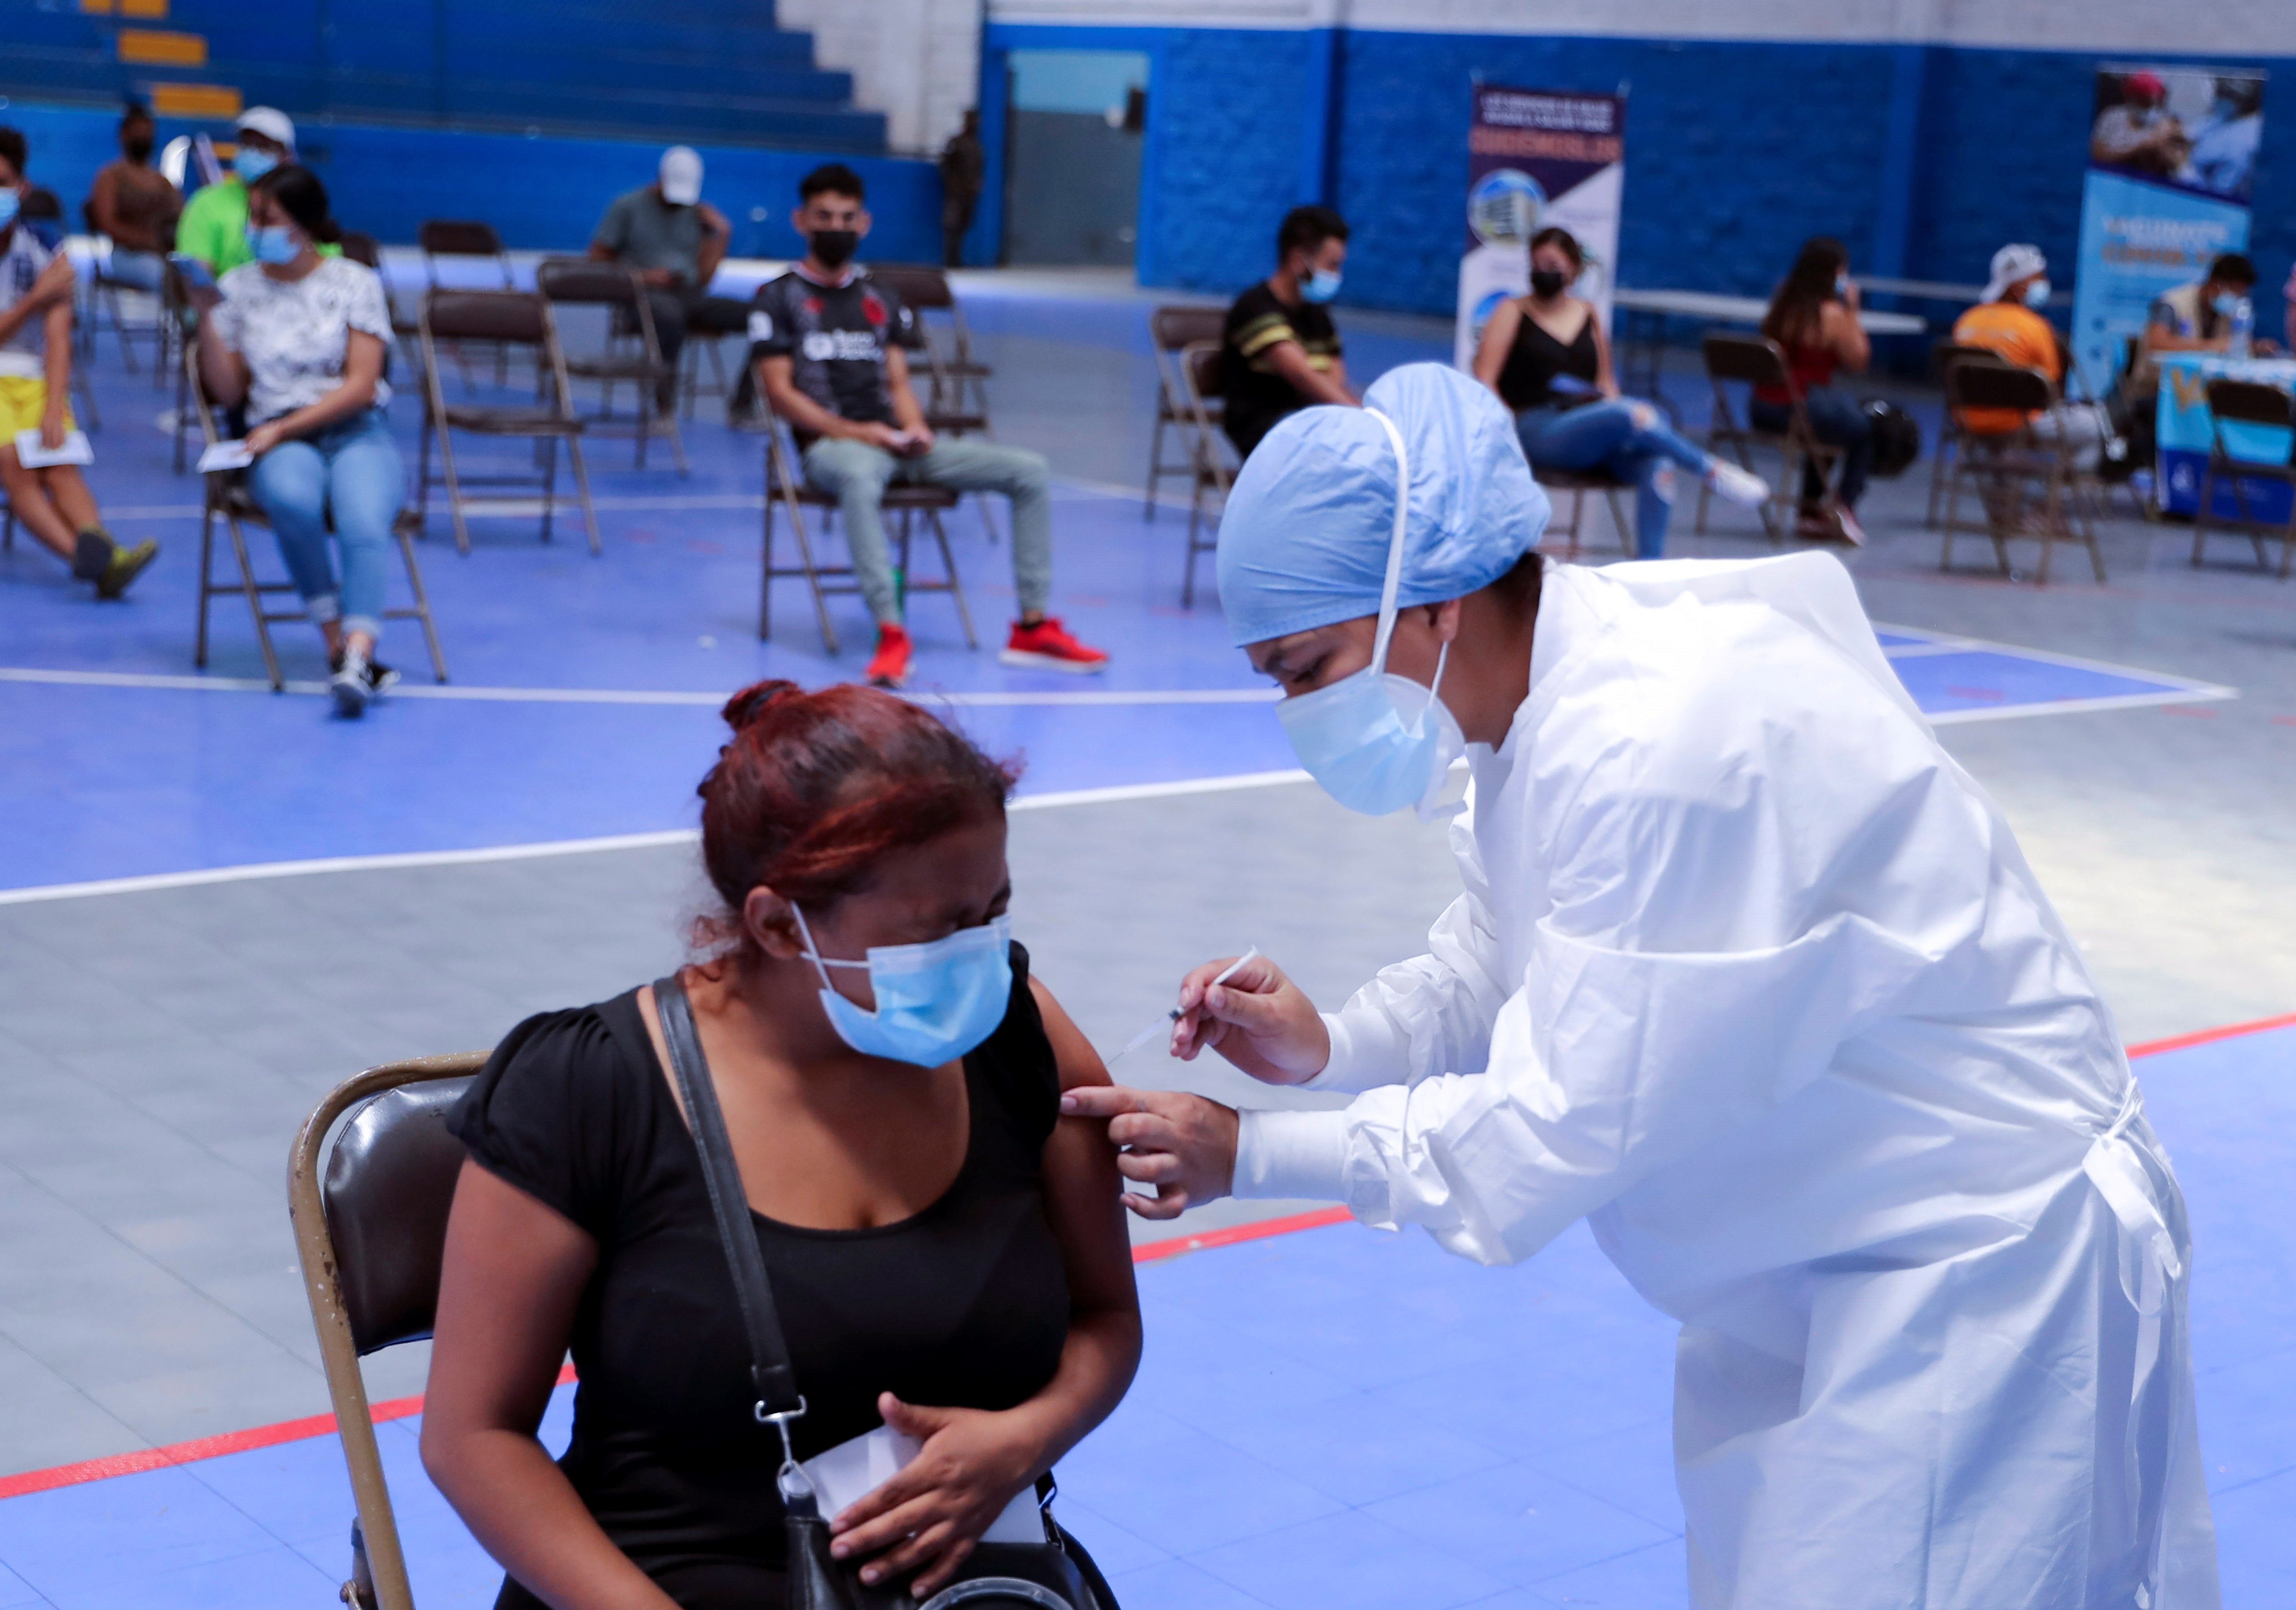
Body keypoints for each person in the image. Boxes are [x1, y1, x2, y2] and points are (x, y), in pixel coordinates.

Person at [1065, 361, 2219, 1610]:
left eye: (1306, 666)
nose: (1297, 708)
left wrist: (1253, 1153)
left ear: (1431, 601)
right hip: (1816, 1254)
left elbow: (1558, 1123)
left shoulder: (1662, 740)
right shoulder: (1536, 700)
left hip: (1971, 1256)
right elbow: (1509, 954)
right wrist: (1333, 1045)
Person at [421, 678, 1141, 1610]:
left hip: (969, 1581)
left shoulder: (1016, 1032)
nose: (981, 952)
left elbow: (1107, 1319)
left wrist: (1031, 1434)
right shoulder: (588, 1089)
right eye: (938, 928)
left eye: (993, 909)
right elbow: (472, 1434)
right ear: (775, 923)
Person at [751, 163, 1110, 689]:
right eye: (824, 216)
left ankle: (1032, 628)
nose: (836, 226)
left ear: (865, 223)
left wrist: (914, 430)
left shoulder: (879, 297)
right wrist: (858, 434)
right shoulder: (775, 297)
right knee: (859, 477)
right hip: (831, 448)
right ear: (801, 220)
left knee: (1029, 471)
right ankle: (891, 633)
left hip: (896, 443)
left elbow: (897, 385)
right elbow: (780, 393)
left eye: (847, 217)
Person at [196, 166, 403, 717]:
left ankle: (360, 652)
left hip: (350, 428)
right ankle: (341, 649)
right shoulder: (238, 289)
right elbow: (227, 389)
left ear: (305, 227)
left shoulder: (354, 283)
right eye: (253, 217)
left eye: (269, 219)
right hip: (277, 438)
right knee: (292, 500)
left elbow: (362, 383)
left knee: (363, 518)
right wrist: (206, 323)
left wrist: (285, 427)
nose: (255, 228)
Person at [1472, 224, 1766, 557]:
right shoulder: (1513, 311)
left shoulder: (1587, 313)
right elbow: (1485, 378)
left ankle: (1649, 571)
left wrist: (1619, 417)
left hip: (1588, 421)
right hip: (1536, 428)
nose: (1544, 272)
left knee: (1658, 464)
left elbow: (1606, 383)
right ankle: (1711, 470)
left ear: (1572, 268)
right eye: (1537, 264)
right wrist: (1505, 429)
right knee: (1629, 411)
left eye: (1553, 265)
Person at [0, 127, 157, 599]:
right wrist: (35, 300)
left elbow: (58, 339)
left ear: (22, 189)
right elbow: (40, 310)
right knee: (14, 465)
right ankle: (86, 560)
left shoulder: (48, 249)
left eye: (2, 182)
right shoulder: (45, 274)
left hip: (32, 378)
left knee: (60, 463)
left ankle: (104, 551)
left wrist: (54, 408)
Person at [589, 146, 755, 418]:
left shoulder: (697, 214)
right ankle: (664, 402)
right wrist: (643, 276)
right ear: (659, 178)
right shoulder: (627, 206)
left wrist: (722, 235)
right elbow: (597, 262)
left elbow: (703, 280)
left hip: (687, 294)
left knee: (764, 317)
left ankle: (744, 403)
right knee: (670, 316)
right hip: (641, 296)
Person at [1753, 235, 1872, 545]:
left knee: (1830, 423)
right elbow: (1858, 359)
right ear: (1835, 273)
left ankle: (1809, 510)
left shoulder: (1782, 304)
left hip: (1762, 406)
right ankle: (1844, 504)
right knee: (1861, 430)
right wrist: (1853, 312)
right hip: (1796, 409)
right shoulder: (1830, 315)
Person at [1218, 204, 1357, 460]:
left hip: (1310, 421)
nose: (1336, 275)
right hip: (1268, 427)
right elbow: (1301, 374)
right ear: (1297, 261)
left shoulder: (1318, 315)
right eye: (1331, 265)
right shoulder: (1255, 308)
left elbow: (1335, 375)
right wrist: (1358, 417)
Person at [1950, 243, 2107, 469]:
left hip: (1966, 421)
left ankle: (2003, 497)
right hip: (2018, 425)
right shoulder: (2035, 327)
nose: (2044, 282)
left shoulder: (1967, 320)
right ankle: (2055, 498)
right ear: (2018, 286)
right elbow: (2050, 387)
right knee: (2097, 425)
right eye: (2039, 277)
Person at [175, 106, 309, 276]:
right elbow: (196, 277)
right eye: (246, 144)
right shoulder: (206, 202)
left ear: (287, 156)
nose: (252, 152)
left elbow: (324, 265)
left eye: (263, 147)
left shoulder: (304, 205)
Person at [84, 105, 179, 294]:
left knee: (189, 272)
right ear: (124, 135)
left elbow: (182, 218)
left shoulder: (163, 182)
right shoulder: (111, 176)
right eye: (138, 132)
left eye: (147, 132)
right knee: (159, 273)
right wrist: (146, 242)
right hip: (126, 256)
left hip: (163, 254)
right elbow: (107, 222)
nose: (143, 137)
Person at [2090, 70, 2189, 178]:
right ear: (2132, 97)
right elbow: (2096, 155)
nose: (2149, 108)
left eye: (2152, 103)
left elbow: (2171, 165)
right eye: (2143, 102)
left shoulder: (2165, 125)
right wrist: (2135, 150)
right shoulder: (2112, 117)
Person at [938, 110, 985, 269]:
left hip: (969, 193)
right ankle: (950, 260)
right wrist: (951, 183)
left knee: (964, 225)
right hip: (956, 193)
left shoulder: (976, 144)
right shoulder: (956, 142)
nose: (975, 124)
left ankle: (956, 258)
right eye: (972, 121)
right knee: (952, 225)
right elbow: (945, 164)